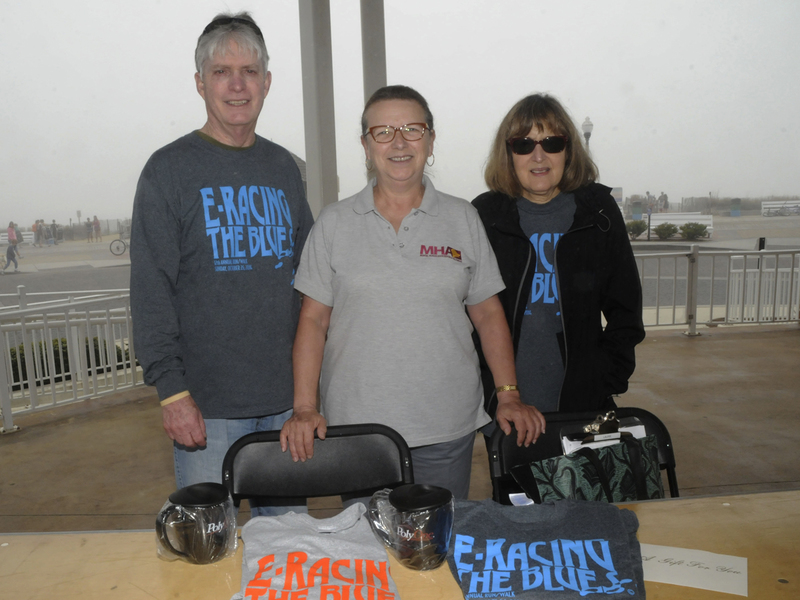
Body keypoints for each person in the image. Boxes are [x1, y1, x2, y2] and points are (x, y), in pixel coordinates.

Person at [280, 85, 544, 500]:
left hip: (445, 424)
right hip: (359, 429)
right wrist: (304, 407)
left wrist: (509, 395)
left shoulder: (463, 217)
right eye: (382, 131)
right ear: (366, 146)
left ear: (431, 139)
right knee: (370, 551)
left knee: (435, 546)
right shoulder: (333, 223)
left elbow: (488, 314)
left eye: (412, 129)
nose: (399, 142)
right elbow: (313, 320)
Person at [130, 12, 313, 511]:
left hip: (284, 410)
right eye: (221, 72)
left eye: (250, 71)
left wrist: (309, 396)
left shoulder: (284, 169)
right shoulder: (168, 170)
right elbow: (151, 290)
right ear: (200, 83)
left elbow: (313, 281)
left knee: (287, 553)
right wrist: (171, 393)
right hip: (205, 412)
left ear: (267, 82)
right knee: (210, 554)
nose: (237, 84)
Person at [473, 93, 645, 420]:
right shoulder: (485, 216)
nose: (538, 155)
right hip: (507, 405)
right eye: (523, 144)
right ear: (508, 153)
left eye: (552, 142)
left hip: (582, 402)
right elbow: (468, 317)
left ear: (568, 150)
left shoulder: (597, 211)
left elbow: (626, 309)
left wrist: (606, 379)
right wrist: (491, 394)